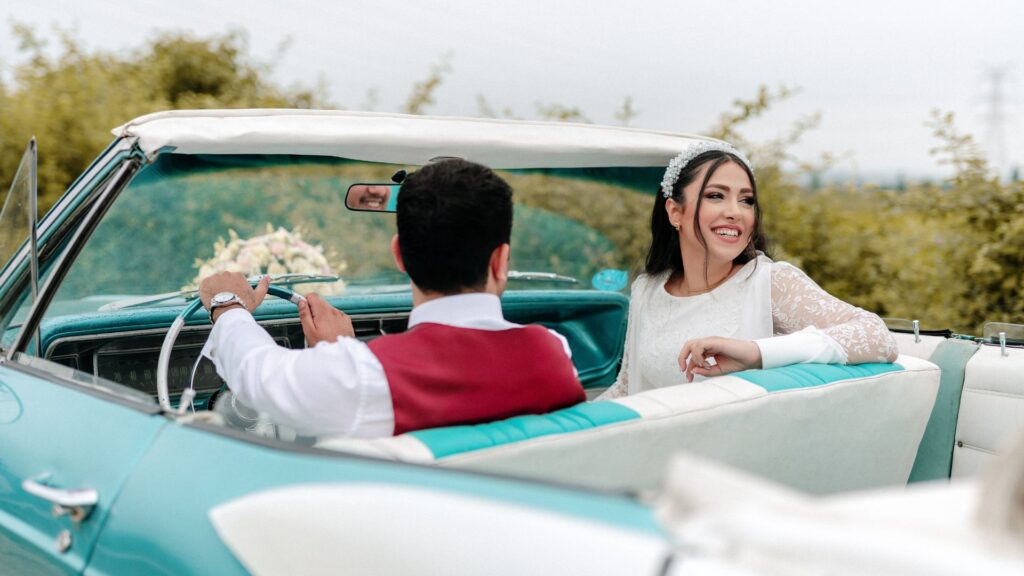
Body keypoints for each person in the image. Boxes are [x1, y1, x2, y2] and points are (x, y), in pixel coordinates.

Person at [200, 159, 584, 438]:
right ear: (500, 260)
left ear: (399, 254)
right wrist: (342, 354)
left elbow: (258, 375)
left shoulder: (360, 377)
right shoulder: (555, 352)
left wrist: (227, 305)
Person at [601, 142, 898, 398]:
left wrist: (756, 353)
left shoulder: (770, 282)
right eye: (716, 195)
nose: (735, 212)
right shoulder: (646, 290)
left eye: (746, 200)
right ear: (675, 212)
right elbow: (627, 386)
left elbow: (878, 337)